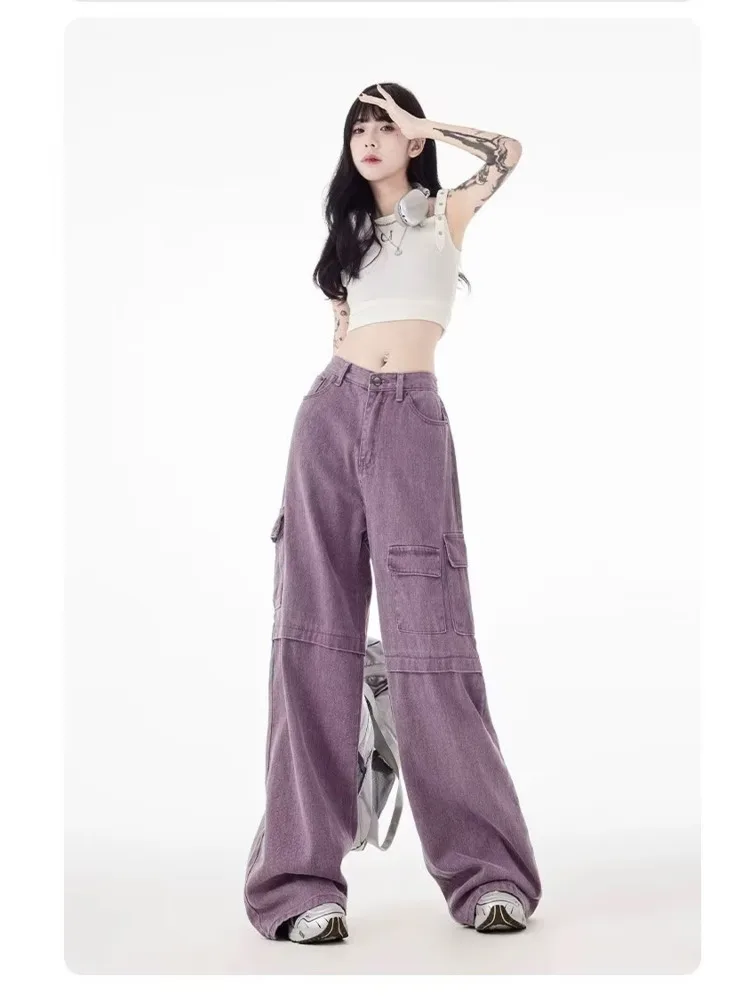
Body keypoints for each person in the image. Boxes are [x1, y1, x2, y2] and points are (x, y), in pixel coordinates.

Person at [243, 82, 542, 944]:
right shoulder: (348, 237)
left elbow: (508, 152)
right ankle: (300, 885)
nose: (370, 138)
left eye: (385, 126)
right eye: (359, 128)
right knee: (311, 641)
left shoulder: (444, 214)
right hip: (329, 415)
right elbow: (341, 336)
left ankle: (487, 874)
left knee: (432, 645)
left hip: (411, 421)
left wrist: (425, 124)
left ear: (412, 141)